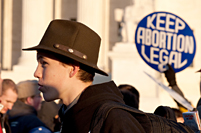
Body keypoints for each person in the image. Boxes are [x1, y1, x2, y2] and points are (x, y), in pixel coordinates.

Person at [22, 20, 194, 132]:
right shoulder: (71, 115)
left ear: (72, 69)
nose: (36, 73)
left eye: (44, 63)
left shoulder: (113, 119)